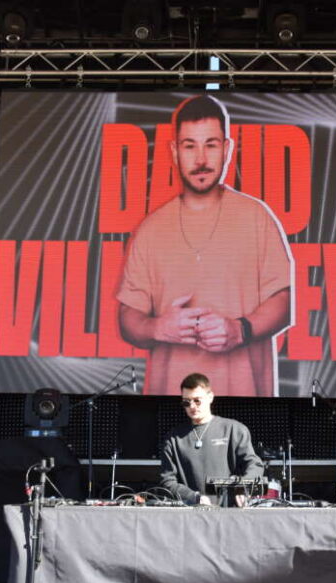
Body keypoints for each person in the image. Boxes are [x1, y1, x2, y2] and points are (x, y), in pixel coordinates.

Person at [117, 95, 294, 397]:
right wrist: (157, 328)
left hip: (245, 407)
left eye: (210, 145)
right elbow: (128, 318)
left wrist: (241, 330)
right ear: (175, 152)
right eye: (190, 146)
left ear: (227, 149)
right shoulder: (151, 229)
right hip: (170, 406)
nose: (200, 160)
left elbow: (284, 302)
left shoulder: (256, 217)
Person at [158, 373, 263, 505]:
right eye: (186, 402)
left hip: (230, 512)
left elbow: (255, 465)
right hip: (190, 513)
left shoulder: (234, 430)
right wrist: (193, 497)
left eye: (197, 400)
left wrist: (243, 487)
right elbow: (167, 481)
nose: (192, 406)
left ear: (210, 397)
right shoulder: (173, 439)